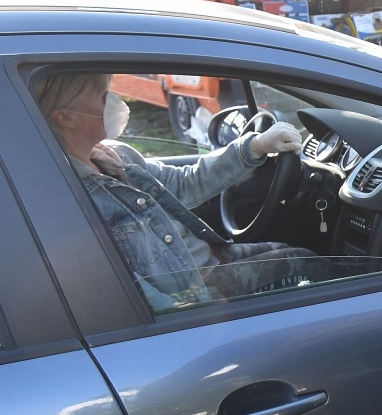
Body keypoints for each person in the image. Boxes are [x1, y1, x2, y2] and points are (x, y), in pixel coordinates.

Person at [33, 72, 311, 311]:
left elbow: (182, 184)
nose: (114, 103)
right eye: (102, 96)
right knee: (307, 264)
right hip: (198, 291)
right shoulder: (75, 198)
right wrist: (205, 314)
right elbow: (133, 291)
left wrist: (253, 147)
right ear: (65, 118)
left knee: (288, 251)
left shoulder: (117, 157)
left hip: (210, 258)